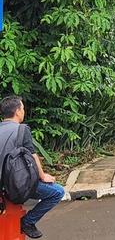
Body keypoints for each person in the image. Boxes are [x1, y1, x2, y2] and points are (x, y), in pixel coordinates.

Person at [0, 96, 65, 239]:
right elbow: (33, 156)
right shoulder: (22, 130)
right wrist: (42, 176)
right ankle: (27, 222)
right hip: (15, 185)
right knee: (57, 192)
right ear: (17, 111)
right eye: (22, 108)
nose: (24, 111)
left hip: (2, 187)